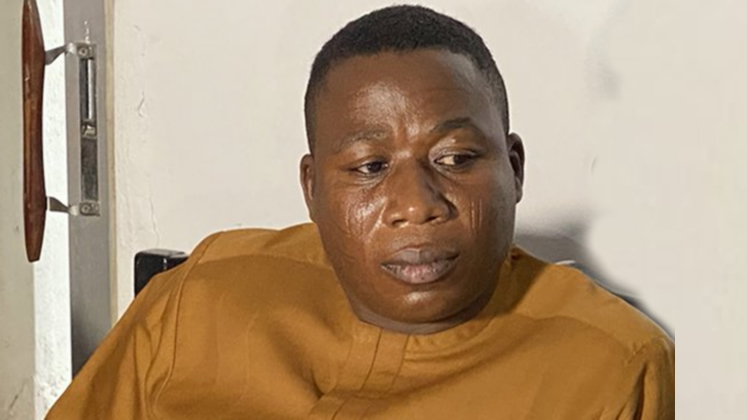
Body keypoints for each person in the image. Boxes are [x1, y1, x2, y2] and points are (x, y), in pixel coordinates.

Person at [47, 5, 674, 419]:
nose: (416, 206)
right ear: (313, 189)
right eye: (370, 167)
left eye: (455, 158)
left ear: (514, 169)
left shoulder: (613, 367)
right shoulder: (202, 296)